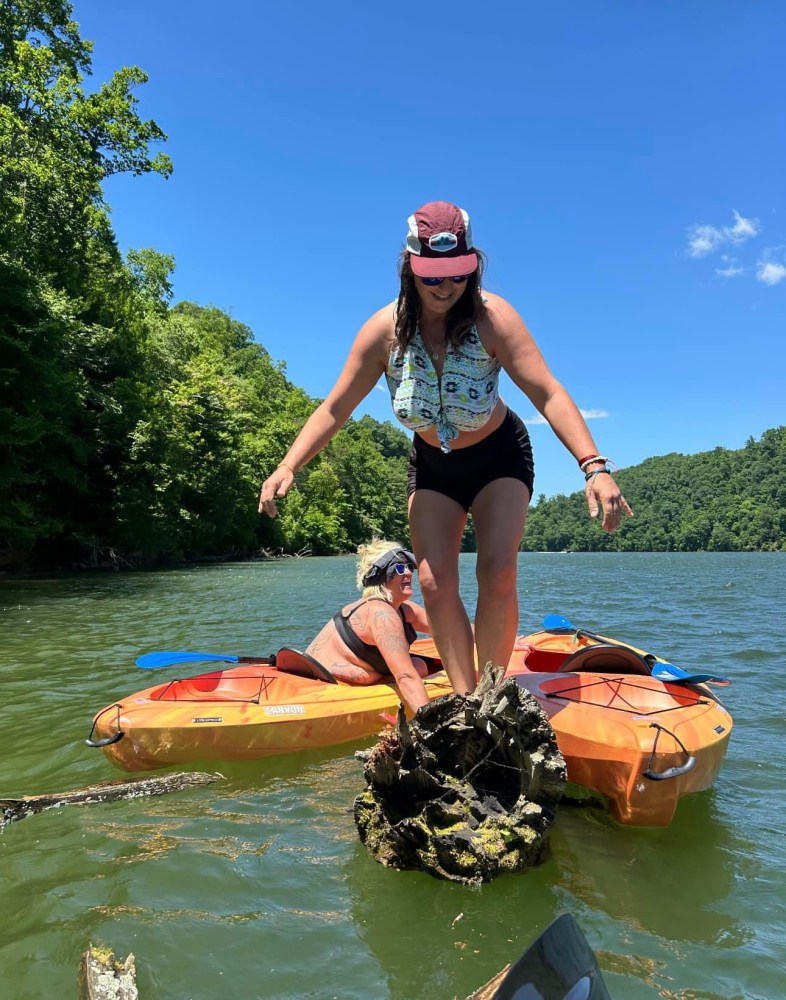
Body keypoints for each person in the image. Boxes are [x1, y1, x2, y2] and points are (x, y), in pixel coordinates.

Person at [259, 201, 633, 696]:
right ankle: (467, 700)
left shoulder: (492, 319)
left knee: (496, 568)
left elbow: (548, 391)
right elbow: (334, 408)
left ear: (472, 266)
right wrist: (289, 464)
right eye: (432, 276)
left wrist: (594, 466)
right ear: (409, 267)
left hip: (500, 456)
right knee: (434, 584)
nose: (444, 287)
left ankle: (494, 696)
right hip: (434, 466)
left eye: (456, 274)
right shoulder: (383, 332)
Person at [305, 540, 432, 712]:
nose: (409, 572)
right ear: (381, 576)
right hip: (318, 687)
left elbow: (450, 631)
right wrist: (431, 726)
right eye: (400, 569)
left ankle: (379, 678)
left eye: (409, 566)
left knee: (419, 665)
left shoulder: (404, 610)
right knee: (415, 667)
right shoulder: (381, 613)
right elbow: (406, 677)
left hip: (329, 682)